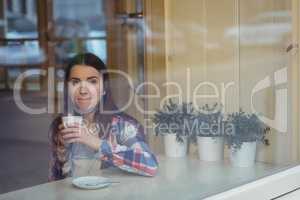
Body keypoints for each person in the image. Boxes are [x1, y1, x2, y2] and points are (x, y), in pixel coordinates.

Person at [48, 53, 158, 181]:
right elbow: (54, 180)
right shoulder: (59, 126)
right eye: (75, 82)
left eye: (92, 81)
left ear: (104, 88)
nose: (83, 90)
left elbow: (150, 165)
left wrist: (95, 142)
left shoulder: (123, 125)